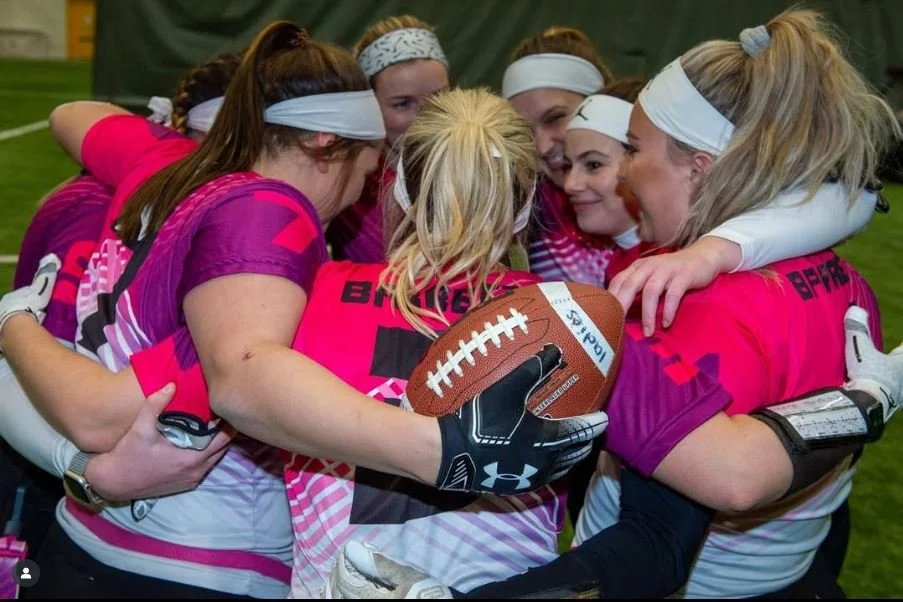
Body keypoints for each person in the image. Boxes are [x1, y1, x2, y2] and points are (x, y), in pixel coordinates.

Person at [0, 21, 601, 598]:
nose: (359, 193)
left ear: (399, 189)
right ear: (526, 206)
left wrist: (15, 322)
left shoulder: (303, 291)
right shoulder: (583, 319)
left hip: (166, 550)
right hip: (206, 562)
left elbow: (119, 404)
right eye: (363, 168)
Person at [330, 8, 903, 599]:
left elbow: (657, 542)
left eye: (632, 148)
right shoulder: (837, 271)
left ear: (700, 168)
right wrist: (864, 404)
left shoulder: (676, 303)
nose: (626, 172)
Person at [0, 51, 242, 565]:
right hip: (50, 470)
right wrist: (86, 470)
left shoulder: (191, 203)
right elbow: (43, 372)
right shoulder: (98, 207)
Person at [326, 15, 450, 263]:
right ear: (370, 107)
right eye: (403, 104)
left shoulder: (478, 172)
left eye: (439, 99)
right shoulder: (347, 187)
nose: (426, 119)